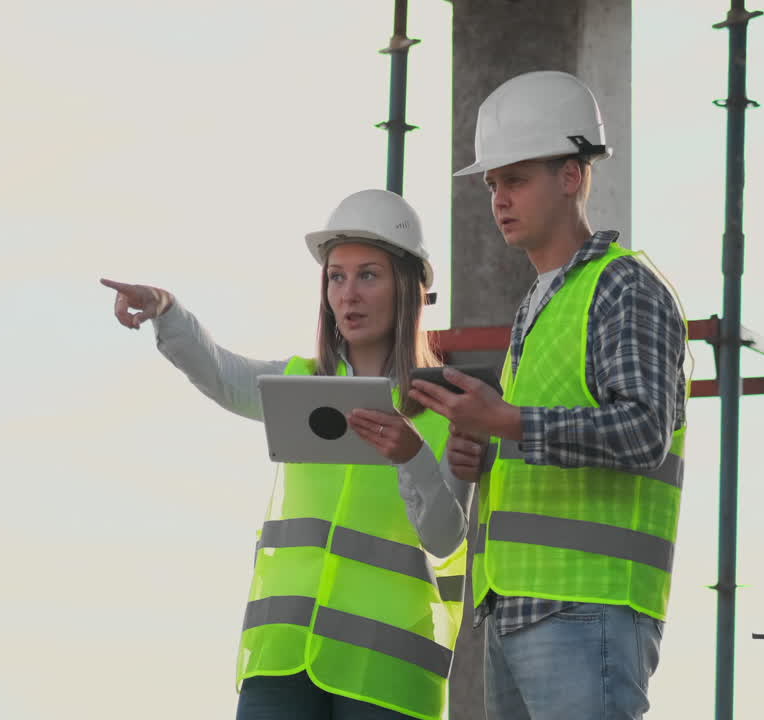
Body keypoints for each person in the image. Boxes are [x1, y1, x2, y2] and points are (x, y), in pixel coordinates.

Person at [101, 188, 471, 720]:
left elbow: (444, 538)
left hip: (387, 674)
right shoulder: (301, 385)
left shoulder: (445, 411)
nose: (349, 294)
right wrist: (168, 312)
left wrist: (412, 457)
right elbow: (225, 377)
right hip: (282, 662)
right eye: (336, 277)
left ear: (408, 287)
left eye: (369, 275)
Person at [410, 71, 689, 720]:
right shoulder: (537, 306)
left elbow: (645, 430)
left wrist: (505, 419)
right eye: (492, 184)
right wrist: (481, 450)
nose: (499, 199)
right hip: (515, 605)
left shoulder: (625, 287)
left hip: (588, 611)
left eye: (517, 178)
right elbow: (535, 436)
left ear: (571, 176)